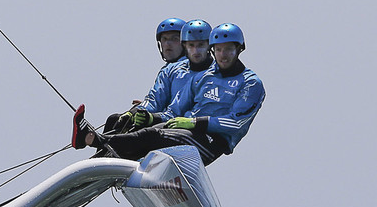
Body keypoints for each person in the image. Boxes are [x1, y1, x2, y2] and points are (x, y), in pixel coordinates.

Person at [79, 22, 264, 165]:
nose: (223, 55)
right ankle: (95, 166)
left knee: (152, 137)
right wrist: (151, 118)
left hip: (211, 142)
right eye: (219, 49)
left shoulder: (250, 82)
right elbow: (175, 111)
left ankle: (95, 140)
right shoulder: (204, 77)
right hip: (186, 131)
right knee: (143, 132)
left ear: (239, 49)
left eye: (229, 49)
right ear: (213, 50)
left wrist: (195, 122)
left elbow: (236, 123)